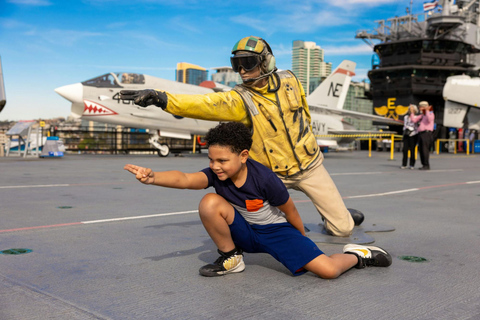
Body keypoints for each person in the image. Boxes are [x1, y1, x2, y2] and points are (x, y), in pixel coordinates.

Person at [120, 36, 363, 237]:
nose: (242, 71)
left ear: (266, 62)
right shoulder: (239, 98)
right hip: (271, 174)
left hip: (309, 165)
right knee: (260, 232)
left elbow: (305, 115)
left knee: (342, 230)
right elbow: (205, 104)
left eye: (248, 62)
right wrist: (163, 99)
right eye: (237, 64)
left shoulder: (291, 80)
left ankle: (333, 212)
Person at [124, 122, 392, 277]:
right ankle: (231, 258)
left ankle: (358, 256)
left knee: (328, 271)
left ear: (243, 155)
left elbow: (290, 210)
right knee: (209, 202)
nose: (215, 166)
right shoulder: (217, 175)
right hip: (245, 231)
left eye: (222, 160)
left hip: (276, 231)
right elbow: (184, 179)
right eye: (211, 160)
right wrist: (153, 176)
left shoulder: (264, 179)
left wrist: (301, 238)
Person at [410, 101, 435, 170]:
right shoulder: (422, 115)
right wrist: (412, 112)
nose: (419, 108)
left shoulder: (430, 113)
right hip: (421, 133)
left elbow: (430, 119)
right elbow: (414, 120)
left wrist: (427, 110)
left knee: (425, 150)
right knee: (421, 150)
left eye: (420, 107)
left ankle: (426, 165)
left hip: (426, 133)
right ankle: (424, 164)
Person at [401, 104, 419, 169]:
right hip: (407, 133)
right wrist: (407, 128)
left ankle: (412, 164)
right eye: (409, 109)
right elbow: (405, 125)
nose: (410, 110)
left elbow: (416, 124)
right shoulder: (406, 117)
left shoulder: (416, 117)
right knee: (405, 149)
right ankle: (404, 164)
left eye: (411, 109)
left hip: (414, 134)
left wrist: (412, 129)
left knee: (412, 150)